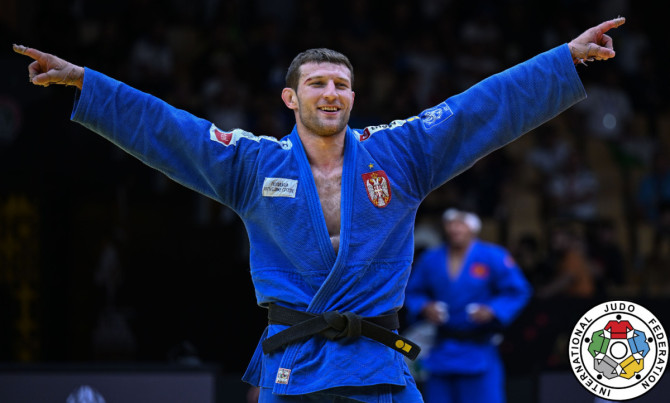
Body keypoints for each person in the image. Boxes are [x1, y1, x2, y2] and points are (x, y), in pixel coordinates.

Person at [12, 16, 625, 403]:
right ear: (290, 97)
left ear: (353, 96)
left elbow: (476, 110)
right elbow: (170, 130)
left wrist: (561, 60)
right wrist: (89, 84)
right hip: (294, 365)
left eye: (341, 85)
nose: (330, 93)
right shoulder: (253, 164)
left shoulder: (400, 153)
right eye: (317, 83)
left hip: (377, 365)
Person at [404, 209, 532, 403]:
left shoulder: (493, 255)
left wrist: (494, 310)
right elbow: (413, 291)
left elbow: (518, 290)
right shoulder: (431, 258)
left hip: (479, 348)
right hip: (442, 349)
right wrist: (424, 306)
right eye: (451, 223)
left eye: (461, 223)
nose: (455, 228)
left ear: (473, 229)